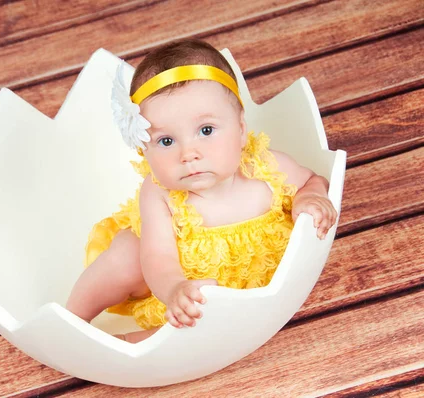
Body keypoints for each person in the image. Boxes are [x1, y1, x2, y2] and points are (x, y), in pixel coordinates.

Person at [66, 39, 337, 343]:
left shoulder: (268, 167)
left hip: (247, 289)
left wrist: (311, 196)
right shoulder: (159, 194)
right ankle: (72, 320)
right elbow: (157, 257)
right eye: (166, 141)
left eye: (206, 130)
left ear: (240, 128)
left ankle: (148, 343)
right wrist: (174, 290)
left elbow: (312, 180)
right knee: (127, 255)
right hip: (174, 284)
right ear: (144, 148)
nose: (188, 154)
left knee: (207, 331)